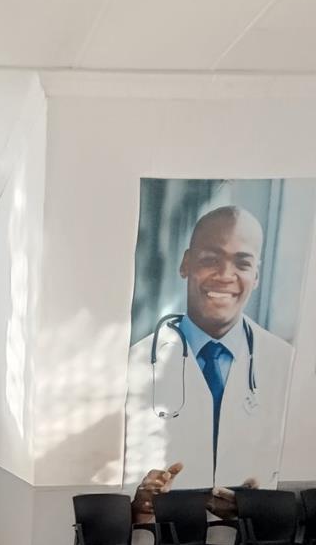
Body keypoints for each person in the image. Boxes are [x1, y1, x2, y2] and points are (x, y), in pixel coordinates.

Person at [125, 205, 294, 496]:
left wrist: (253, 502)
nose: (225, 275)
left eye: (242, 263)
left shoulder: (284, 362)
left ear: (256, 275)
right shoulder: (137, 362)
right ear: (186, 264)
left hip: (244, 524)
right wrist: (141, 501)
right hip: (170, 521)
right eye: (210, 259)